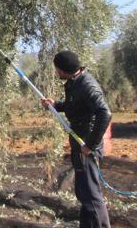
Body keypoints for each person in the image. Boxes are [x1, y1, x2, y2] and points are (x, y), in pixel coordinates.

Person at [41, 50, 112, 228]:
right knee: (84, 193)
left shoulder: (87, 86)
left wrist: (90, 144)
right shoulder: (75, 82)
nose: (56, 72)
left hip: (86, 146)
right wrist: (55, 105)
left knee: (91, 194)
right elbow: (75, 106)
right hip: (80, 144)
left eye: (57, 69)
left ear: (63, 70)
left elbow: (105, 113)